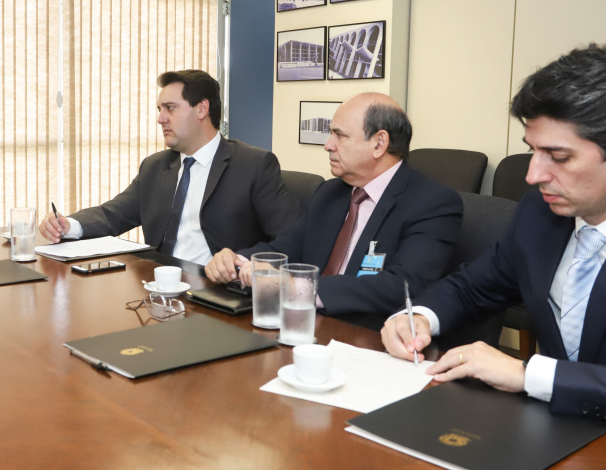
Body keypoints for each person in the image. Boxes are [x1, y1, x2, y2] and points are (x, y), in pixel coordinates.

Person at [382, 44, 606, 419]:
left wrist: (526, 373)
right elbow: (474, 287)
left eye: (559, 157)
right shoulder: (538, 214)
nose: (533, 175)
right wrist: (419, 317)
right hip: (556, 427)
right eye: (533, 151)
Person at [205, 93, 463, 322]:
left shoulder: (432, 203)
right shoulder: (330, 193)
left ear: (379, 143)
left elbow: (402, 286)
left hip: (369, 334)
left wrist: (301, 288)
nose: (328, 145)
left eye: (340, 135)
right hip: (303, 324)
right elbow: (287, 248)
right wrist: (237, 261)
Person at [39, 69, 300, 265]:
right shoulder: (155, 166)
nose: (160, 118)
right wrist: (68, 225)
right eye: (159, 109)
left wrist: (239, 260)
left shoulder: (253, 165)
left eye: (170, 108)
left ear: (202, 109)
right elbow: (113, 214)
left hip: (218, 291)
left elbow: (293, 237)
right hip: (158, 285)